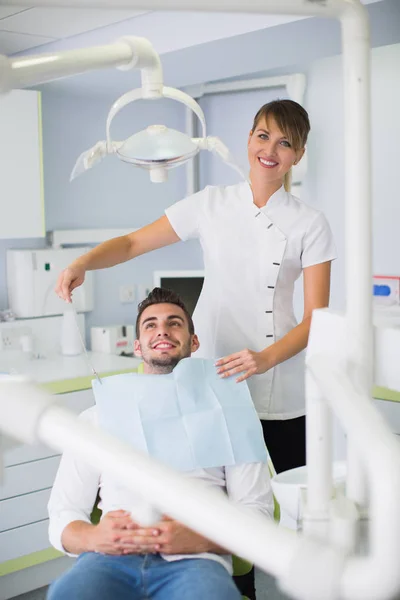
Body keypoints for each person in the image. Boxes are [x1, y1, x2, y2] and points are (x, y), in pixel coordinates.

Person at [56, 99, 336, 598]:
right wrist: (84, 263)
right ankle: (233, 588)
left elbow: (317, 316)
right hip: (211, 377)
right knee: (223, 498)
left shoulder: (309, 223)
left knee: (298, 513)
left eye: (285, 142)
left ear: (298, 154)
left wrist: (265, 358)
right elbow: (132, 244)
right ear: (248, 139)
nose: (270, 150)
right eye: (262, 136)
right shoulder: (211, 203)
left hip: (284, 381)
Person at [47, 287, 273, 600]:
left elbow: (257, 514)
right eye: (150, 324)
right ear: (138, 346)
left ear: (194, 342)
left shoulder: (230, 414)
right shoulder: (97, 419)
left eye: (174, 323)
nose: (162, 330)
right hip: (108, 559)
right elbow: (64, 512)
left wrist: (198, 539)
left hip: (195, 561)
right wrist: (95, 537)